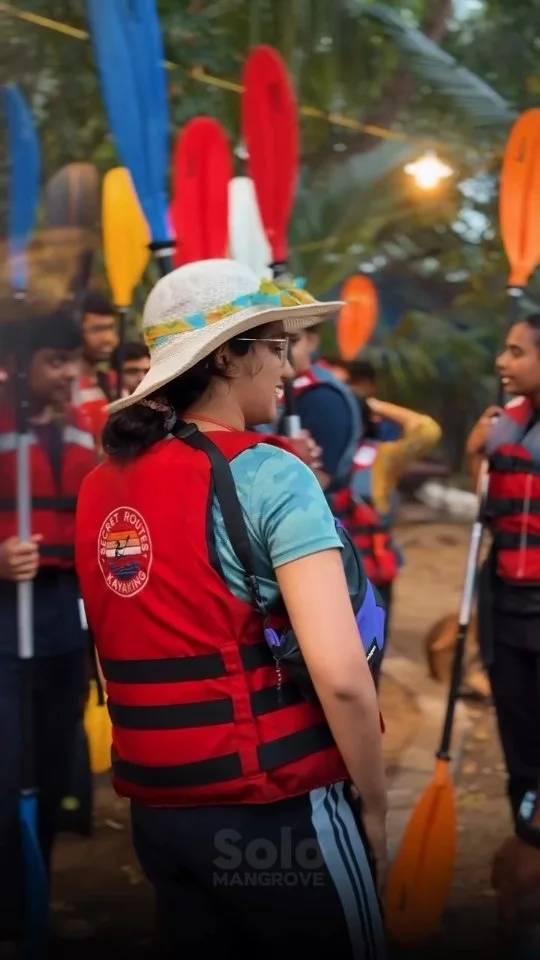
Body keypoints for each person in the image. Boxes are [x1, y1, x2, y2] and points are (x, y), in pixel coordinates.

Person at [75, 259, 387, 959]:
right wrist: (373, 801)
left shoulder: (100, 483)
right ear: (226, 354)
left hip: (161, 815)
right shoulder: (271, 472)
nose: (289, 363)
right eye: (276, 345)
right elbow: (340, 674)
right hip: (276, 815)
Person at [0, 305, 97, 952]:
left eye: (75, 362)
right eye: (55, 361)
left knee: (56, 771)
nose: (69, 374)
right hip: (8, 624)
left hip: (66, 623)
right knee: (9, 771)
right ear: (20, 367)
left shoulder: (92, 428)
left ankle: (35, 895)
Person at [466, 313, 540, 826]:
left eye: (516, 351)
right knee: (516, 725)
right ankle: (526, 822)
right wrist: (476, 452)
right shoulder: (504, 423)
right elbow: (488, 504)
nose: (502, 361)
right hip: (505, 602)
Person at [286, 326, 361, 497]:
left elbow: (317, 481)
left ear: (312, 341)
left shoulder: (323, 398)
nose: (283, 352)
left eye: (292, 341)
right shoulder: (289, 389)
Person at [72, 289, 117, 443]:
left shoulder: (113, 382)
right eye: (97, 329)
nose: (108, 339)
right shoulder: (62, 388)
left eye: (111, 328)